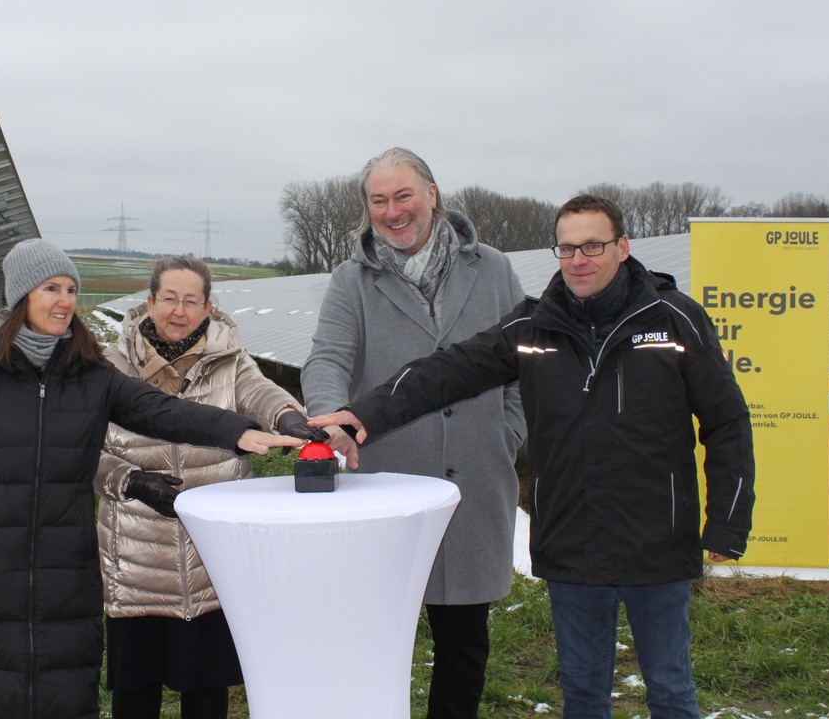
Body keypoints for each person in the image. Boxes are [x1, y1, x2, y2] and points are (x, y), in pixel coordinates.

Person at [310, 194, 757, 719]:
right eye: (566, 249)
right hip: (571, 537)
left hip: (658, 537)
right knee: (584, 694)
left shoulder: (675, 320)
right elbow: (448, 370)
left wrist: (727, 521)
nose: (579, 260)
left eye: (593, 245)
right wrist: (365, 414)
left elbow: (727, 422)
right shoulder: (534, 327)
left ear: (623, 247)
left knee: (670, 690)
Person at [0, 239, 309, 719]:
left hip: (69, 567)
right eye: (51, 288)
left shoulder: (89, 375)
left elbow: (165, 412)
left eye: (70, 289)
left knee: (65, 688)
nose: (64, 300)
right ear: (22, 296)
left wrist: (242, 432)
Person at [300, 147, 528, 719]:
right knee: (382, 637)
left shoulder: (493, 269)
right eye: (379, 200)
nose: (393, 211)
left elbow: (524, 357)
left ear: (432, 194)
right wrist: (334, 423)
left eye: (404, 195)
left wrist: (510, 430)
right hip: (388, 475)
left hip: (474, 475)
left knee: (463, 640)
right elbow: (326, 359)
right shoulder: (353, 279)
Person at [95, 255, 331, 719]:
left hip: (213, 561)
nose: (178, 311)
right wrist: (131, 480)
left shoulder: (230, 361)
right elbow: (83, 452)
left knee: (206, 693)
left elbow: (261, 393)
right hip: (138, 559)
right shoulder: (108, 366)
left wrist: (289, 418)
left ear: (207, 308)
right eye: (168, 299)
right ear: (149, 302)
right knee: (135, 696)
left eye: (190, 301)